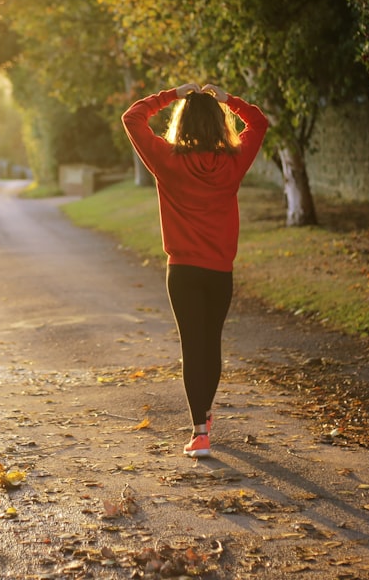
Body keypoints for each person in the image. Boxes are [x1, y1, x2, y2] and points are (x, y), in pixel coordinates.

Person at [122, 82, 269, 458]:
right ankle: (203, 418)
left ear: (182, 123)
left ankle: (200, 432)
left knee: (193, 346)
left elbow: (132, 117)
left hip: (183, 271)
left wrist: (172, 94)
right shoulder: (234, 161)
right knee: (211, 344)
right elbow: (259, 122)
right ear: (219, 125)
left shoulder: (167, 160)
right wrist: (228, 100)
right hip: (219, 271)